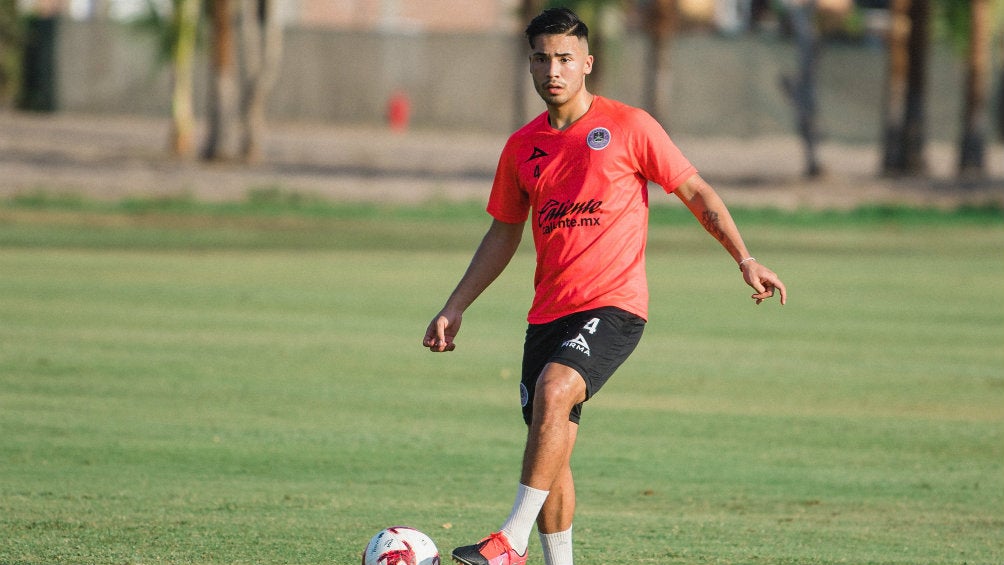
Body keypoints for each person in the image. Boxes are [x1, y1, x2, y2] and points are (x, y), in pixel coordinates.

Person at [422, 8, 787, 565]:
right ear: (530, 65)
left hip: (615, 305)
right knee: (552, 445)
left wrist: (745, 257)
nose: (554, 69)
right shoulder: (521, 148)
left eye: (565, 58)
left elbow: (696, 192)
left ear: (587, 63)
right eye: (542, 58)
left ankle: (508, 541)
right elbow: (503, 232)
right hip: (547, 314)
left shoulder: (630, 126)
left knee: (555, 390)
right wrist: (455, 305)